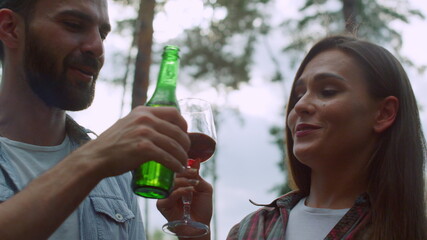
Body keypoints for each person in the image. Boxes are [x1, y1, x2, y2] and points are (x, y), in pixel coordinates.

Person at [158, 35, 427, 240]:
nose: (300, 106)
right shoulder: (252, 229)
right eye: (299, 94)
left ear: (384, 113)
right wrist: (194, 235)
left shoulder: (411, 229)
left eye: (328, 91)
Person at [0, 0, 191, 239]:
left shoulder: (114, 177)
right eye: (73, 25)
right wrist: (95, 159)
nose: (97, 47)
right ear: (9, 28)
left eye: (102, 34)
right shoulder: (102, 162)